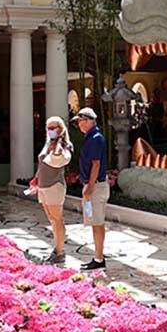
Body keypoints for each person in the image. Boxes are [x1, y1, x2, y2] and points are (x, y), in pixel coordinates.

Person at [74, 107, 109, 270]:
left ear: (88, 121)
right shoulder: (92, 137)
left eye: (80, 121)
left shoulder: (95, 138)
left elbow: (96, 164)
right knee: (95, 222)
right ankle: (98, 255)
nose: (79, 124)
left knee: (97, 222)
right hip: (93, 185)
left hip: (95, 186)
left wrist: (90, 187)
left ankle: (99, 258)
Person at [35, 116, 73, 264]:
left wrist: (59, 141)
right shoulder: (47, 143)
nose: (50, 130)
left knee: (57, 219)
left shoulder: (65, 145)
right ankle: (57, 248)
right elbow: (43, 162)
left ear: (60, 128)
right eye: (48, 127)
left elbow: (58, 158)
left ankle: (59, 251)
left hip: (54, 186)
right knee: (52, 219)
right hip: (43, 186)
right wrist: (36, 178)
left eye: (54, 127)